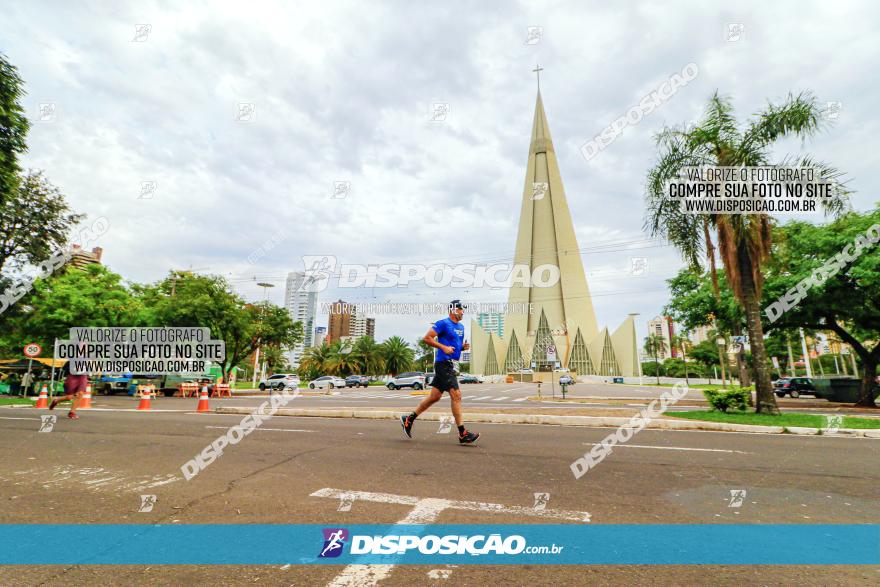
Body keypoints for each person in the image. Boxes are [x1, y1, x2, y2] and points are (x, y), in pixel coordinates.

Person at [400, 300, 480, 444]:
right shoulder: (443, 323)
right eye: (461, 309)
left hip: (452, 365)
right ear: (454, 310)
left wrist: (463, 347)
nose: (463, 312)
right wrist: (443, 347)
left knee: (434, 397)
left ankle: (409, 419)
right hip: (443, 364)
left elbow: (454, 346)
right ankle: (463, 433)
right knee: (456, 395)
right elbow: (427, 338)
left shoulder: (461, 327)